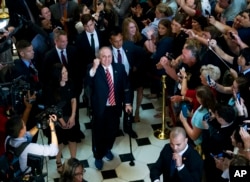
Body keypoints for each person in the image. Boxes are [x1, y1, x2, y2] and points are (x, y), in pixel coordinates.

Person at [85, 46, 132, 170]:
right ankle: (98, 156)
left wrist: (127, 103)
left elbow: (126, 87)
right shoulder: (93, 69)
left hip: (114, 107)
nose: (107, 59)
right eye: (103, 57)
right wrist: (94, 67)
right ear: (99, 58)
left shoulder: (119, 68)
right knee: (98, 133)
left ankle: (107, 148)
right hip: (100, 108)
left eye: (109, 56)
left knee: (112, 130)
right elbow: (88, 84)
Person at [44, 63, 82, 173]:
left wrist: (73, 116)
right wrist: (61, 121)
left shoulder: (70, 82)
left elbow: (73, 99)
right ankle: (58, 162)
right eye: (62, 73)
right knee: (58, 142)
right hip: (57, 119)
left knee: (72, 139)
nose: (65, 75)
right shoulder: (50, 87)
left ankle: (73, 161)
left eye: (66, 72)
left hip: (70, 116)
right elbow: (52, 107)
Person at [109, 28, 146, 138]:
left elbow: (143, 54)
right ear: (111, 41)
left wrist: (136, 66)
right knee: (115, 108)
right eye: (116, 41)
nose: (119, 43)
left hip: (128, 82)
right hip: (113, 84)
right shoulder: (107, 51)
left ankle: (128, 127)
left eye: (120, 40)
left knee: (128, 105)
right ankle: (115, 129)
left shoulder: (129, 46)